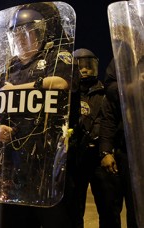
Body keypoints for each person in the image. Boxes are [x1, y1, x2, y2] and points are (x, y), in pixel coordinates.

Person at [0, 3, 76, 227]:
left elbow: (63, 83)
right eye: (17, 34)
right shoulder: (9, 68)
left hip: (48, 157)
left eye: (27, 33)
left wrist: (18, 89)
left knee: (54, 218)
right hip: (12, 160)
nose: (22, 39)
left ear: (40, 33)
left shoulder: (55, 56)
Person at [98, 59, 138, 228]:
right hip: (128, 152)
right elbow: (109, 120)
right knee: (133, 206)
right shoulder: (125, 56)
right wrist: (106, 151)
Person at [70, 49, 106, 228]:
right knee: (75, 209)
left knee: (107, 207)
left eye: (88, 67)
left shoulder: (104, 93)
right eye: (80, 67)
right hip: (77, 158)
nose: (84, 71)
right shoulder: (67, 94)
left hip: (99, 158)